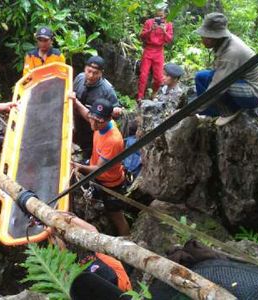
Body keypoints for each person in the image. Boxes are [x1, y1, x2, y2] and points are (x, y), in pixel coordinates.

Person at [70, 98, 130, 236]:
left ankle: (126, 242)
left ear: (109, 119)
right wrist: (75, 101)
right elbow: (87, 114)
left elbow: (99, 169)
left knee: (116, 216)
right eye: (93, 118)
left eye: (99, 121)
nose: (94, 123)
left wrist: (77, 166)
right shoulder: (98, 124)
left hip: (110, 183)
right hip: (96, 172)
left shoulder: (113, 140)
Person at [195, 12, 258, 126]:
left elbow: (217, 87)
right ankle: (210, 113)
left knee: (214, 82)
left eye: (206, 37)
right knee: (201, 76)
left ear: (216, 37)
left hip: (253, 93)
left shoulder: (231, 53)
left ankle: (229, 111)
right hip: (240, 82)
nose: (202, 39)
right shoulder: (224, 41)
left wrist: (194, 109)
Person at [72, 56, 123, 160]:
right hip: (76, 120)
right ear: (84, 69)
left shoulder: (107, 90)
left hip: (92, 127)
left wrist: (116, 111)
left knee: (89, 149)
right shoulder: (80, 78)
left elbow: (115, 109)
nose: (91, 76)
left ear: (101, 73)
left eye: (96, 73)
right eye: (89, 71)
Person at [137, 2, 174, 103]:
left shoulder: (168, 24)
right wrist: (150, 30)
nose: (160, 15)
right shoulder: (149, 22)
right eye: (158, 13)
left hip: (159, 51)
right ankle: (140, 97)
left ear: (165, 13)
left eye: (162, 14)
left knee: (158, 77)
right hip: (148, 50)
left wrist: (164, 31)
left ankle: (154, 93)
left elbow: (170, 40)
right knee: (143, 75)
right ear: (155, 13)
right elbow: (142, 36)